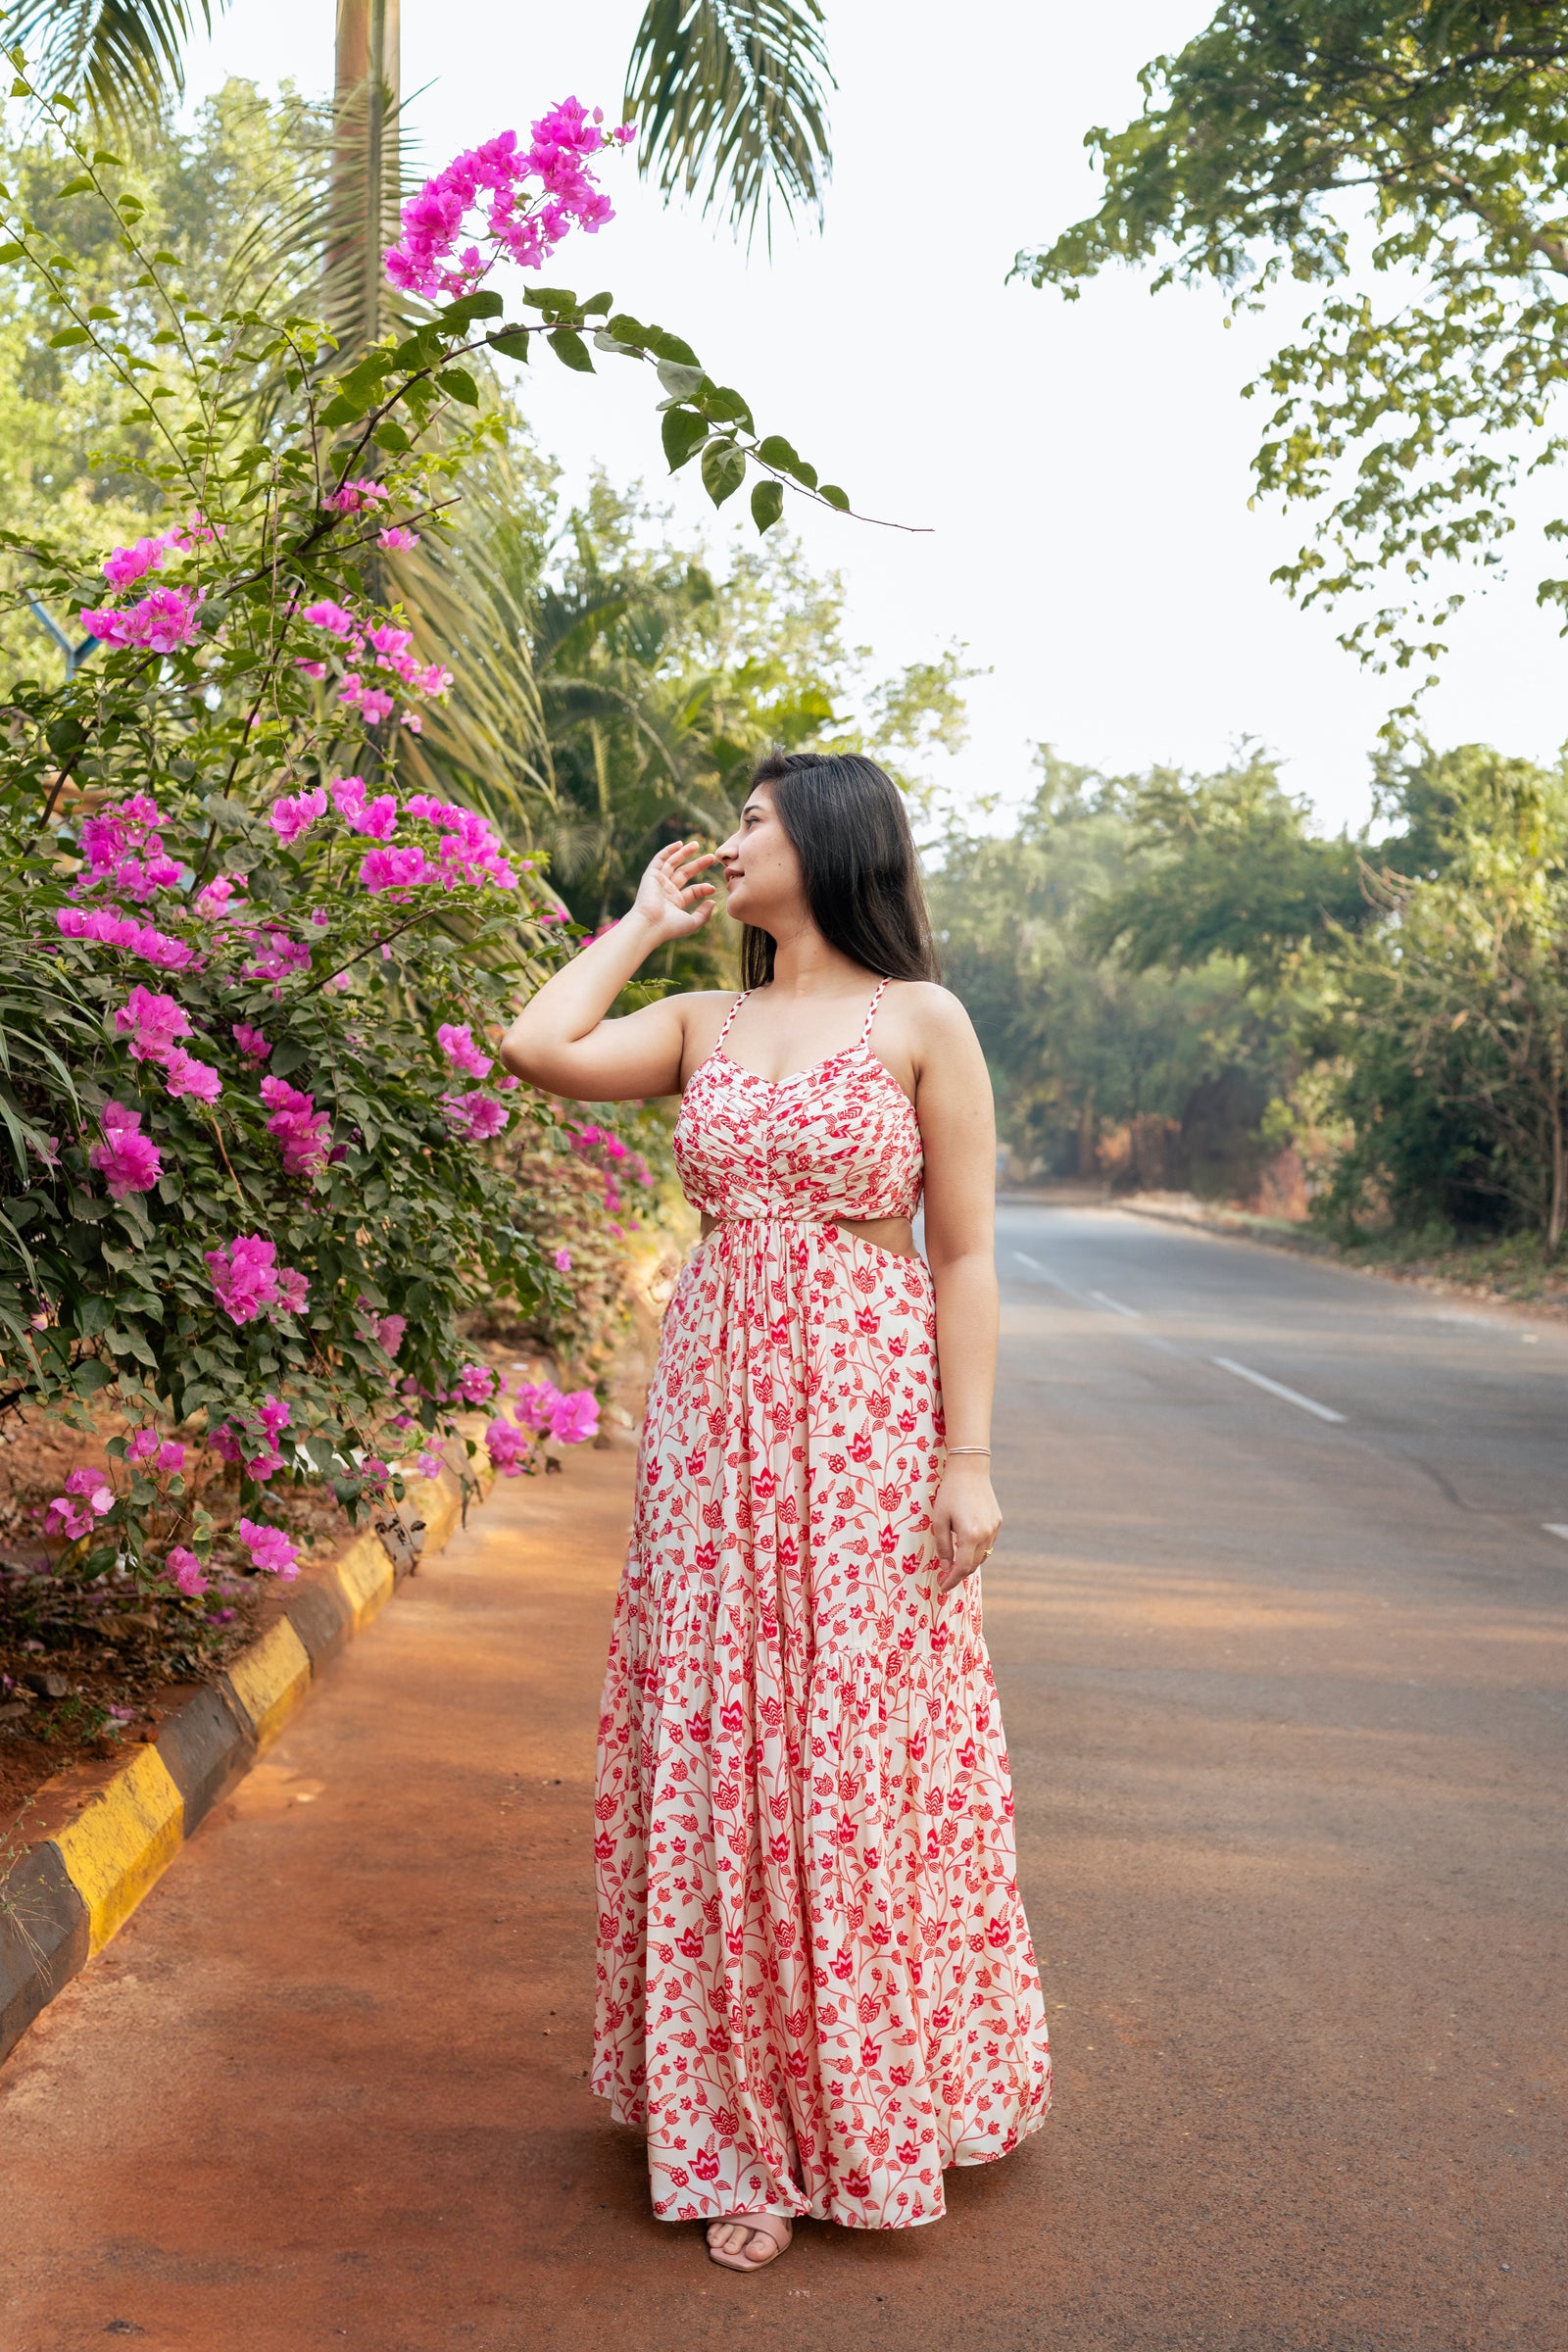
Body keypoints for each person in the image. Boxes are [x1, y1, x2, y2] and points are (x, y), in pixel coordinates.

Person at [502, 750, 1051, 2272]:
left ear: (831, 836)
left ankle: (869, 2104)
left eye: (753, 817)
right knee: (724, 1752)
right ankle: (736, 2132)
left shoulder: (923, 1021)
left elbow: (963, 1259)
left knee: (850, 1749)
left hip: (868, 1418)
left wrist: (971, 1457)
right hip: (711, 1428)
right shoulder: (701, 1020)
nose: (731, 838)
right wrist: (634, 928)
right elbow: (532, 1044)